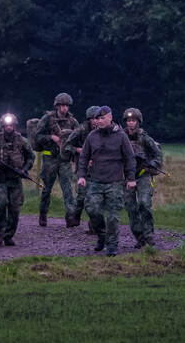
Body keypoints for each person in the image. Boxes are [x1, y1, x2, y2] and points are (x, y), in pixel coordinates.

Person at [76, 105, 136, 256]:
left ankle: (112, 245)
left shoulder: (121, 136)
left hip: (114, 182)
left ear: (110, 117)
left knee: (112, 217)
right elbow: (83, 157)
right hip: (96, 181)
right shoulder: (92, 136)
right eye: (98, 119)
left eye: (103, 118)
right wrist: (82, 176)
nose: (100, 121)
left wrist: (131, 178)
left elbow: (129, 158)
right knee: (92, 210)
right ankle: (102, 236)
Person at [0, 113, 34, 246]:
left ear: (14, 126)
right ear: (2, 126)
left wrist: (24, 169)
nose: (9, 127)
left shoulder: (22, 141)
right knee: (1, 204)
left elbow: (30, 157)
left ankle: (9, 235)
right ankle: (0, 232)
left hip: (16, 179)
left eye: (11, 125)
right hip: (0, 179)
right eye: (6, 125)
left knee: (15, 209)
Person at [34, 92, 79, 227]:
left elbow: (79, 138)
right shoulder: (47, 119)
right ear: (57, 106)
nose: (65, 108)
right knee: (47, 189)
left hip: (65, 160)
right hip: (50, 158)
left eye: (67, 105)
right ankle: (43, 214)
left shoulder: (72, 121)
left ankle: (70, 217)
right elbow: (37, 136)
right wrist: (51, 137)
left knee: (68, 190)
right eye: (62, 105)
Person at [122, 107, 163, 248]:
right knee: (131, 208)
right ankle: (139, 237)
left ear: (138, 122)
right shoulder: (121, 138)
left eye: (133, 120)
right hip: (127, 177)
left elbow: (158, 155)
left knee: (144, 203)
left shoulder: (145, 138)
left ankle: (149, 235)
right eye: (128, 120)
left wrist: (151, 163)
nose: (130, 123)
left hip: (143, 175)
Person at [61, 105, 100, 228]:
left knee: (95, 197)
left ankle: (94, 225)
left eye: (98, 118)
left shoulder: (105, 130)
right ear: (89, 119)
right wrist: (78, 150)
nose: (96, 121)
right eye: (93, 118)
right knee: (82, 196)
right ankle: (75, 216)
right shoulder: (81, 130)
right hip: (83, 167)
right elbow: (66, 147)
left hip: (100, 169)